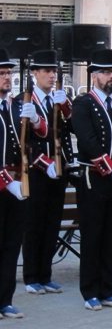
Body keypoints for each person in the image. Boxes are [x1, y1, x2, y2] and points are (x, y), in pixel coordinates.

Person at [72, 49, 112, 311]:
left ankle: (107, 289)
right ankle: (90, 291)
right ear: (94, 76)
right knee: (93, 235)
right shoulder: (84, 103)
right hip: (95, 177)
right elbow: (87, 142)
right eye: (107, 73)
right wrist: (111, 169)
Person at [20, 50, 74, 296]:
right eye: (46, 71)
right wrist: (44, 163)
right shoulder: (25, 100)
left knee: (52, 222)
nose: (51, 76)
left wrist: (66, 105)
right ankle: (31, 276)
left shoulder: (57, 100)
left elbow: (71, 129)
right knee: (34, 224)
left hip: (59, 169)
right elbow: (21, 143)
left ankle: (46, 274)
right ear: (34, 74)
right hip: (37, 171)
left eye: (54, 71)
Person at [0, 49, 27, 319]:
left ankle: (5, 299)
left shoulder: (14, 107)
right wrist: (7, 181)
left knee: (11, 246)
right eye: (2, 74)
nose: (7, 78)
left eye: (8, 73)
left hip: (16, 184)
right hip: (2, 185)